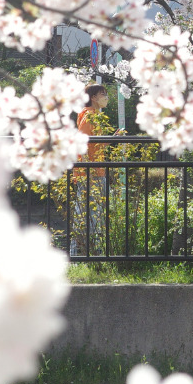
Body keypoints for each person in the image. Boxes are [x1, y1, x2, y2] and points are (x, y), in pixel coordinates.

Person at [71, 84, 110, 256]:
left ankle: (89, 251)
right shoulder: (89, 116)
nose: (106, 97)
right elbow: (83, 146)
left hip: (94, 170)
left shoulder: (93, 116)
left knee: (92, 211)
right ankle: (83, 252)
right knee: (90, 212)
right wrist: (89, 171)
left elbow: (95, 144)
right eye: (103, 94)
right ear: (93, 97)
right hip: (92, 172)